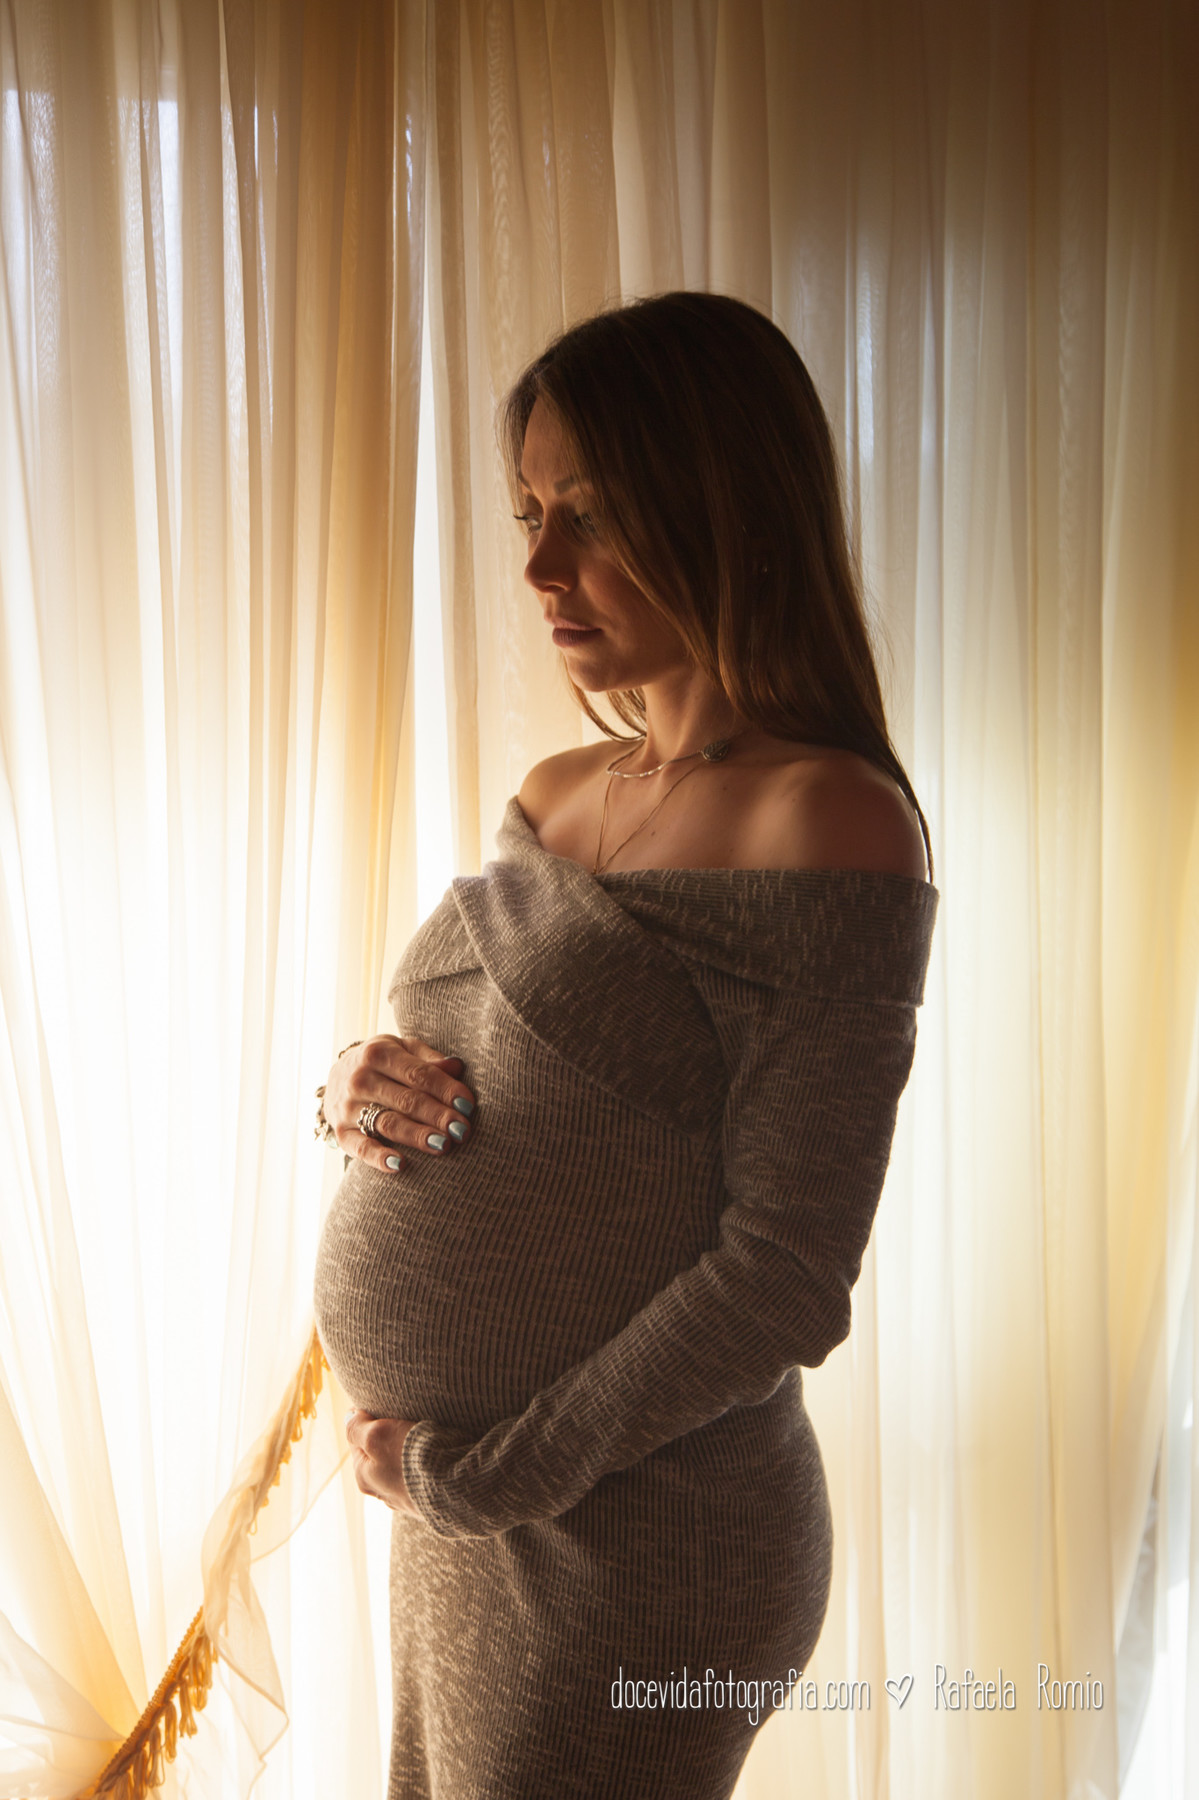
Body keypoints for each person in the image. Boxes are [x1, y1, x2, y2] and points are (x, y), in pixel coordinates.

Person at [313, 292, 938, 1800]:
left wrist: (488, 1477)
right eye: (529, 509)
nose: (537, 565)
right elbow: (475, 1057)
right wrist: (348, 1091)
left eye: (586, 512)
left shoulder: (831, 823)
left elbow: (785, 1269)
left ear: (721, 498)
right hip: (477, 1517)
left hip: (639, 1540)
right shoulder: (556, 787)